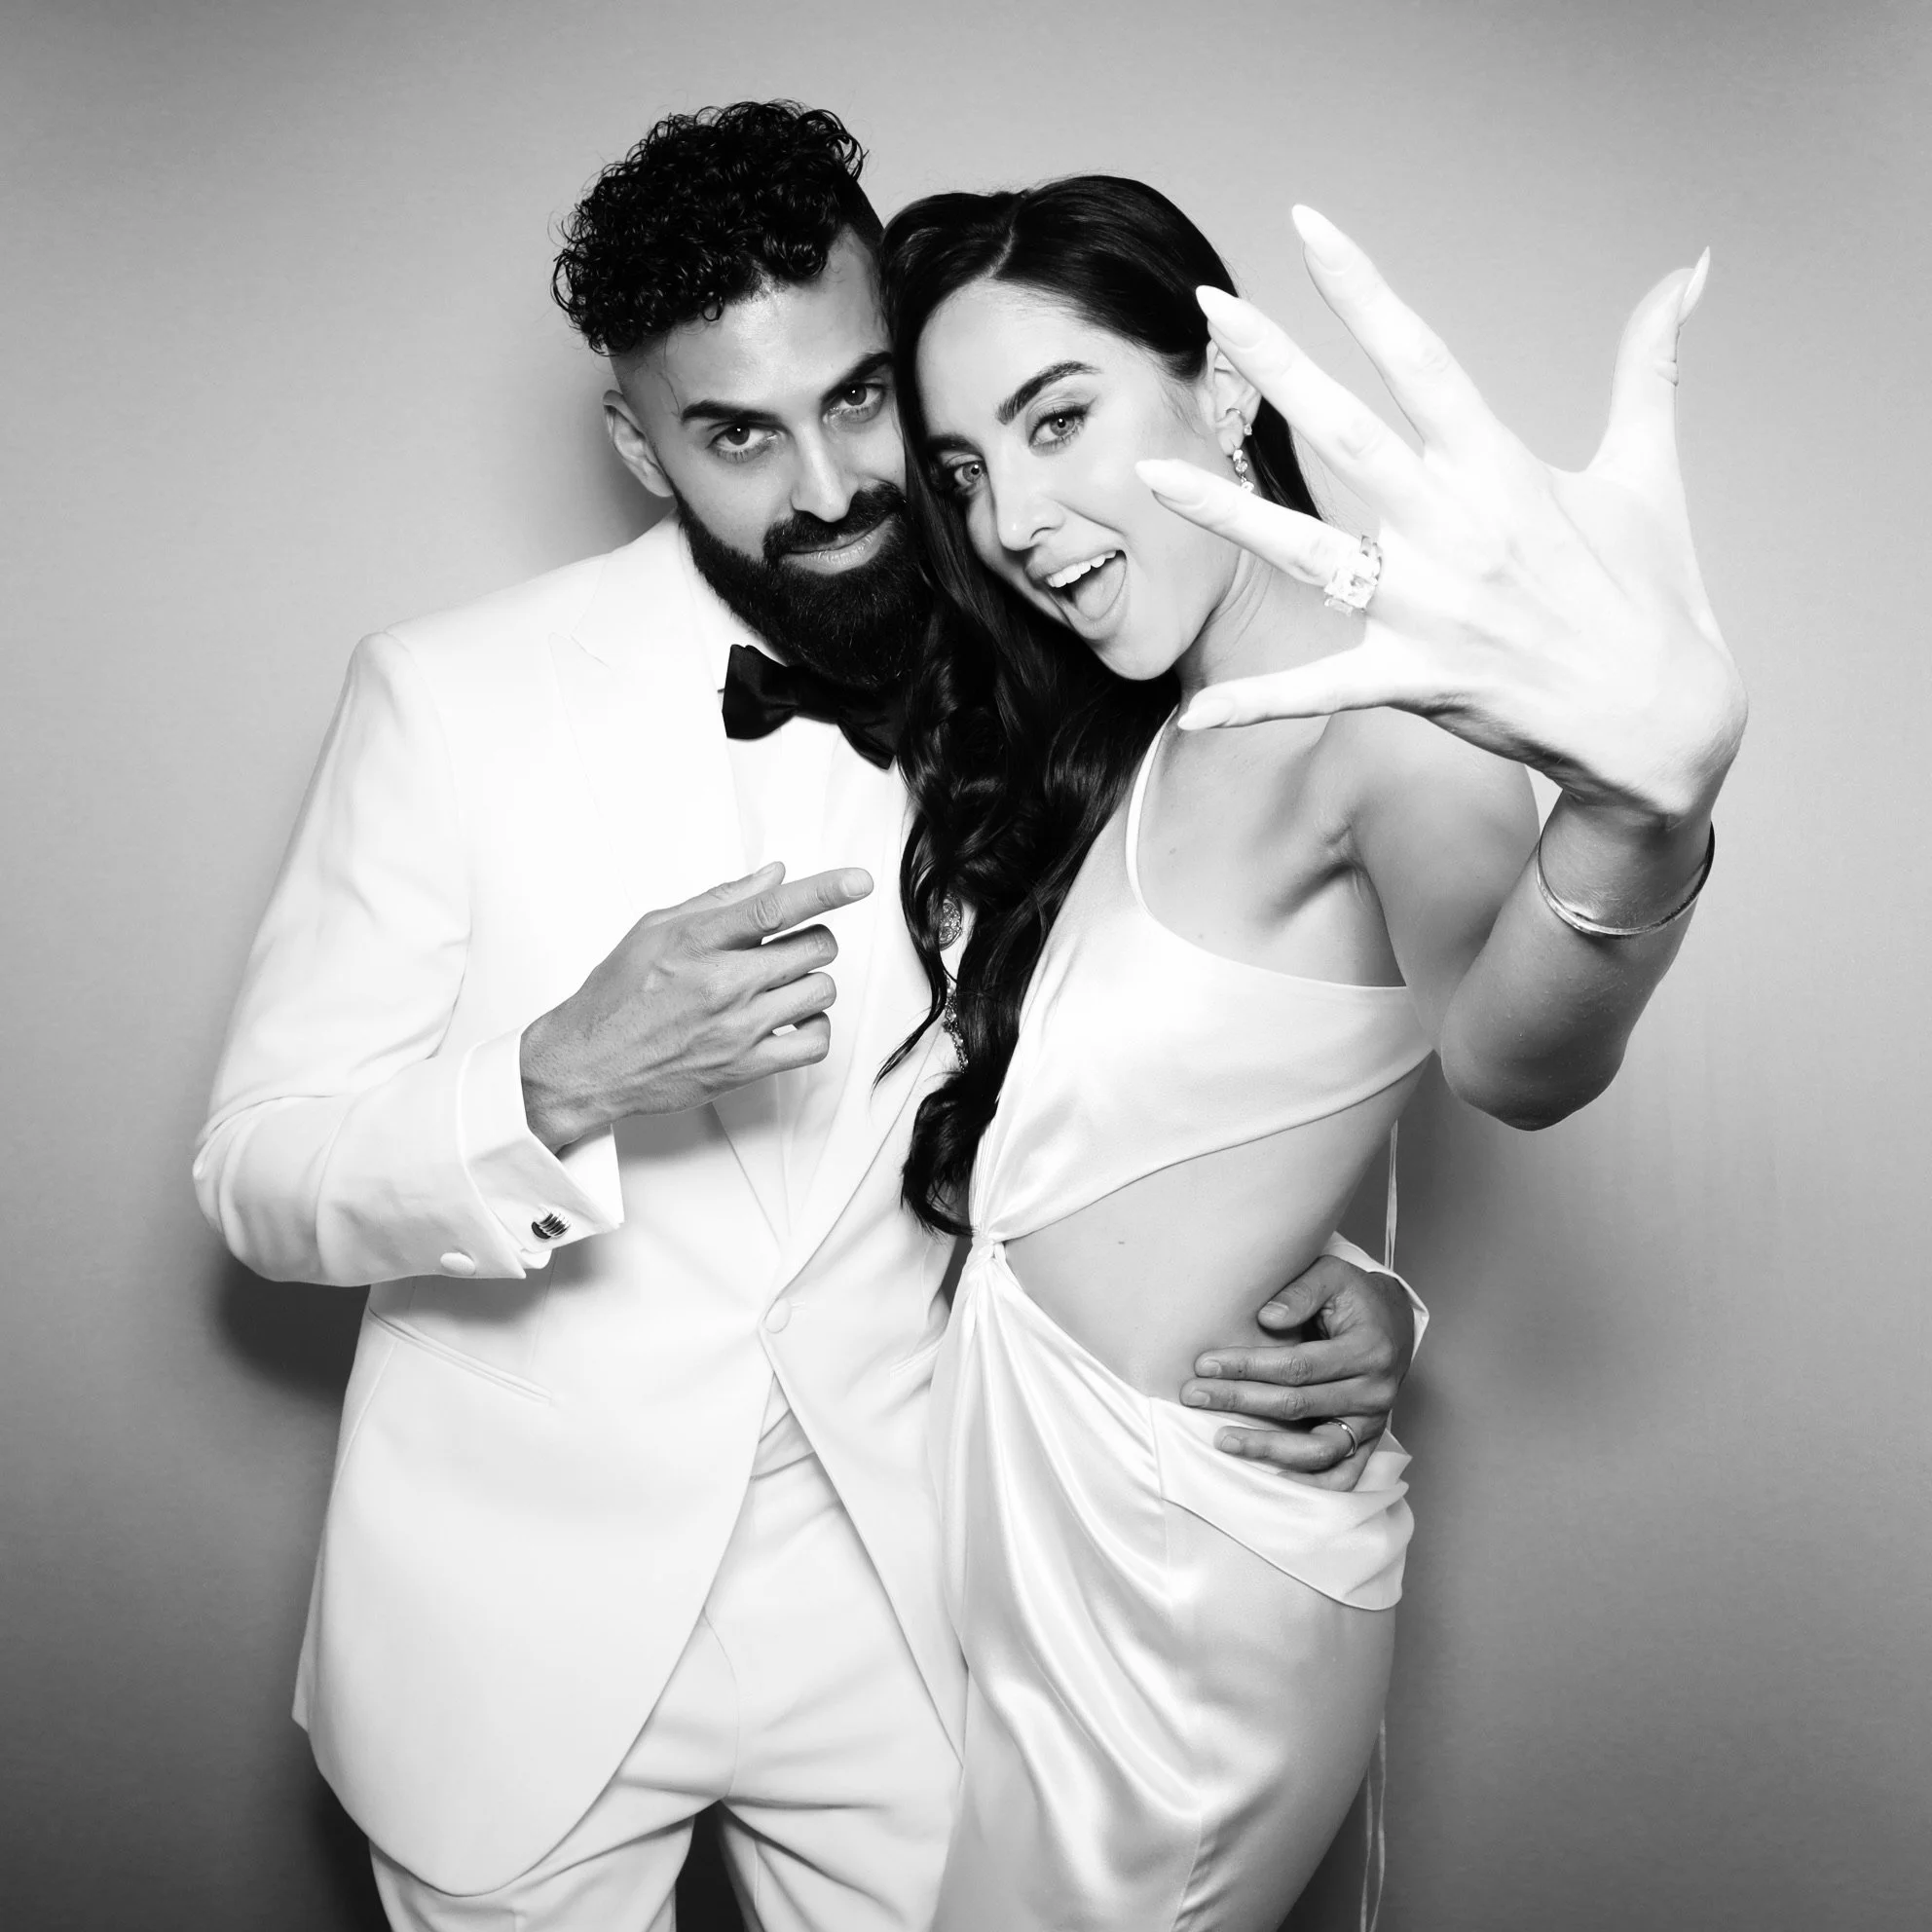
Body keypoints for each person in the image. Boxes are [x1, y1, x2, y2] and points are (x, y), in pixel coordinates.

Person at [193, 106, 1425, 1932]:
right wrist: (552, 1079)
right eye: (738, 434)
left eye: (862, 402)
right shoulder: (443, 699)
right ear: (636, 440)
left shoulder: (1074, 657)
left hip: (923, 1598)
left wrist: (1350, 1301)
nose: (834, 483)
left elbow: (1216, 1051)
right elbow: (253, 1175)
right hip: (515, 1639)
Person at [878, 175, 1744, 1930]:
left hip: (1177, 1616)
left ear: (1225, 388)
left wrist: (1639, 819)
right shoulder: (1155, 735)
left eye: (1059, 420)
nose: (1015, 520)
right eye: (968, 470)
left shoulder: (1378, 718)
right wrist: (1359, 1280)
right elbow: (1198, 1124)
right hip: (1047, 1581)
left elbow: (1513, 1059)